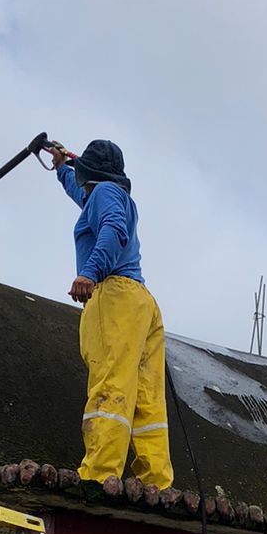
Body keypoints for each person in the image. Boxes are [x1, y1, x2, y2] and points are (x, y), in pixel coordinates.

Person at [50, 138, 173, 490]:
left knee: (111, 384)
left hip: (114, 295)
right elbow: (84, 197)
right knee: (147, 396)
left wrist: (90, 272)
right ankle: (156, 480)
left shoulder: (104, 194)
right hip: (141, 302)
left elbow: (113, 227)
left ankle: (99, 474)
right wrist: (60, 168)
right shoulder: (113, 194)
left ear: (88, 170)